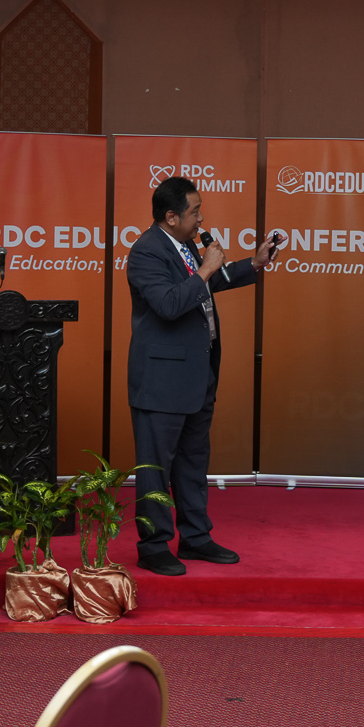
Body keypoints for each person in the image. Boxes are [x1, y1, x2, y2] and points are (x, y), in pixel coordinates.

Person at [126, 176, 278, 576]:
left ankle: (195, 537)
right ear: (171, 217)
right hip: (161, 380)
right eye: (195, 212)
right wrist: (206, 269)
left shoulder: (186, 245)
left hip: (197, 375)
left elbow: (207, 286)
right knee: (156, 469)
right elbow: (169, 304)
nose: (201, 219)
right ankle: (153, 545)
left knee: (193, 463)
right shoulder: (146, 252)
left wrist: (254, 264)